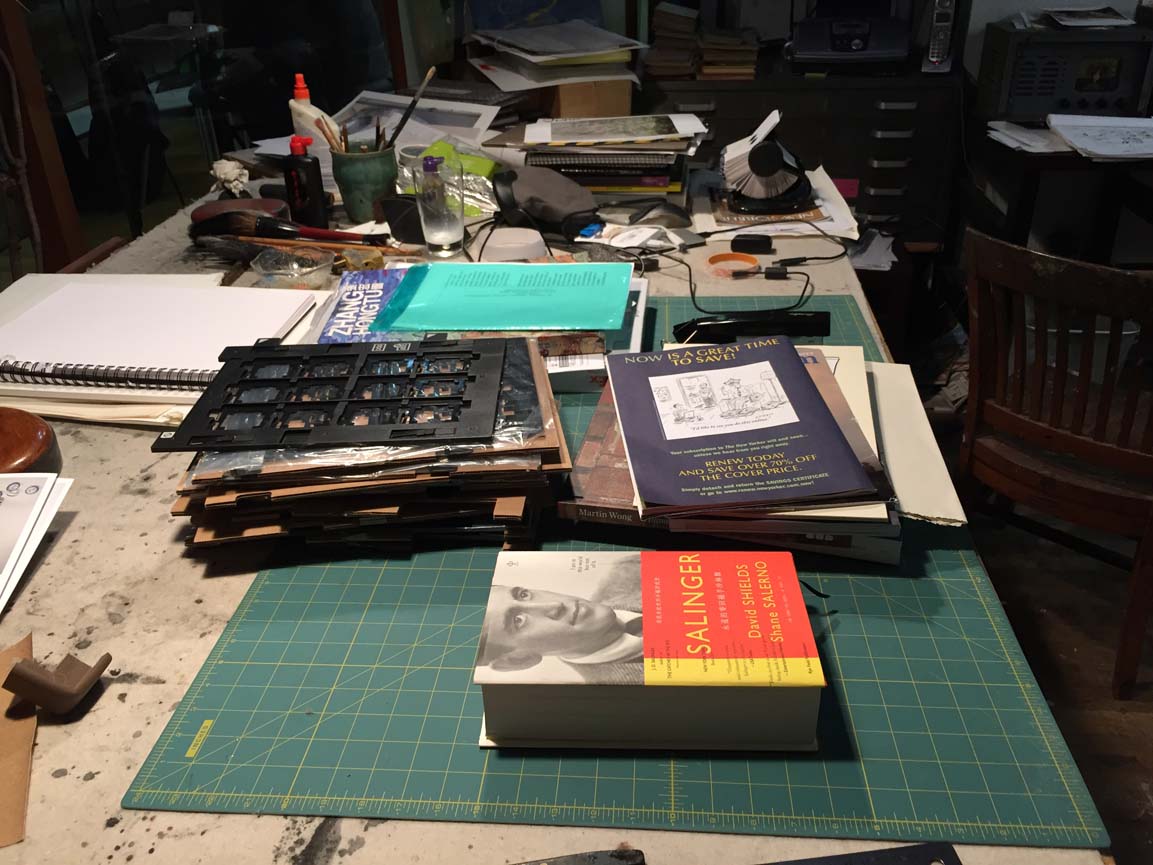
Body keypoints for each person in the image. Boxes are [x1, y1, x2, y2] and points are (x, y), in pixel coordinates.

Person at [478, 555, 643, 684]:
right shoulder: (616, 698)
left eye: (524, 594)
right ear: (518, 660)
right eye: (518, 620)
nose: (555, 605)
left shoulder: (631, 570)